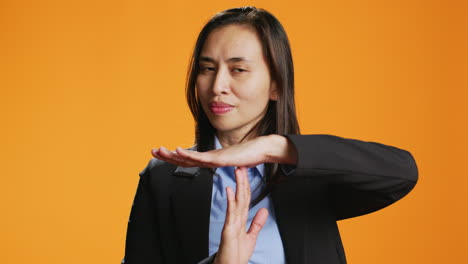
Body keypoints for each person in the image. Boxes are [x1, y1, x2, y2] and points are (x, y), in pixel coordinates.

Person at [122, 6, 418, 264]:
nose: (217, 86)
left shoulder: (308, 173)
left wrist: (274, 148)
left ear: (276, 84)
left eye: (238, 69)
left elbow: (402, 172)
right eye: (207, 68)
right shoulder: (162, 179)